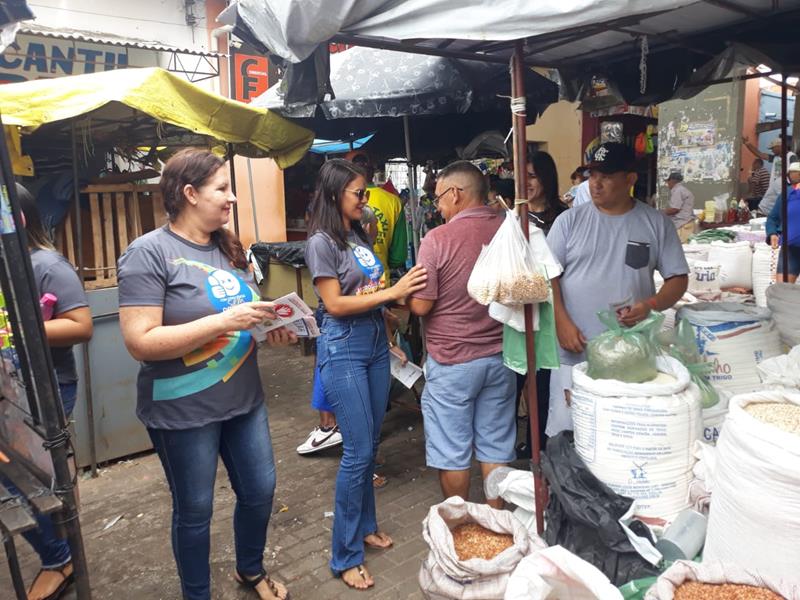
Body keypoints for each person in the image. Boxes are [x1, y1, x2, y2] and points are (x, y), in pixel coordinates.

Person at [117, 148, 295, 600]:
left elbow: (240, 321)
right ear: (190, 194)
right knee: (195, 510)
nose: (232, 198)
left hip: (244, 401)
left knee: (260, 491)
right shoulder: (148, 253)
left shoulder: (227, 248)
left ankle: (250, 569)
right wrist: (223, 322)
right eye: (222, 188)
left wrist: (269, 329)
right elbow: (140, 341)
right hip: (183, 411)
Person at [305, 158, 427, 591]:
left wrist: (387, 319)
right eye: (359, 193)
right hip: (344, 350)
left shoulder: (356, 234)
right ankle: (345, 555)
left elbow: (365, 289)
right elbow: (335, 304)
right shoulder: (321, 243)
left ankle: (367, 525)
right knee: (357, 453)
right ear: (335, 194)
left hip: (375, 345)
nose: (365, 199)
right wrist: (393, 293)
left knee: (369, 445)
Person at [546, 143, 689, 435]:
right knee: (571, 432)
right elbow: (548, 276)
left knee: (622, 433)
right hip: (575, 348)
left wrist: (650, 305)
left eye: (607, 176)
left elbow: (677, 279)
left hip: (631, 353)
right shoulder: (569, 221)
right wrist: (561, 321)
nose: (595, 183)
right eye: (593, 175)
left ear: (630, 179)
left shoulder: (656, 224)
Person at [408, 161, 516, 509]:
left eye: (438, 197)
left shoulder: (437, 239)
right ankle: (496, 522)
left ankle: (461, 526)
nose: (437, 206)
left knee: (452, 451)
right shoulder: (509, 229)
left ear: (455, 194)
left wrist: (403, 293)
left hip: (453, 361)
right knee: (495, 446)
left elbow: (421, 305)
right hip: (501, 357)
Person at [9, 184, 92, 600]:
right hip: (11, 389)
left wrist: (19, 326)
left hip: (47, 387)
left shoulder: (46, 264)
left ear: (17, 219)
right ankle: (60, 551)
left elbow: (81, 326)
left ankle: (61, 556)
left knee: (31, 479)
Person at [350, 153, 408, 281]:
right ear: (373, 172)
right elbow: (398, 257)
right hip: (381, 281)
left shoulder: (342, 200)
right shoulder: (394, 202)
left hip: (350, 283)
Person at [744, 135, 798, 215]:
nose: (772, 150)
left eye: (773, 148)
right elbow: (760, 154)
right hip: (774, 188)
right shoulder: (775, 158)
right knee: (768, 209)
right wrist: (748, 144)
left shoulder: (791, 156)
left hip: (785, 188)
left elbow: (795, 172)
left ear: (780, 146)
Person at [765, 161, 800, 283]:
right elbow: (773, 218)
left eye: (796, 174)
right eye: (791, 174)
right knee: (782, 288)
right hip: (790, 249)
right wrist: (772, 233)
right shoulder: (787, 193)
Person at [527, 151, 569, 234]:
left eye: (532, 176)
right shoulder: (514, 216)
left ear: (547, 178)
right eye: (522, 177)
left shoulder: (564, 217)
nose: (525, 182)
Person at [663, 172, 696, 243]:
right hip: (687, 222)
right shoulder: (683, 189)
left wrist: (660, 213)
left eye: (668, 182)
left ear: (672, 181)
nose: (668, 184)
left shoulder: (677, 190)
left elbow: (674, 209)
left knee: (679, 245)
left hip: (682, 224)